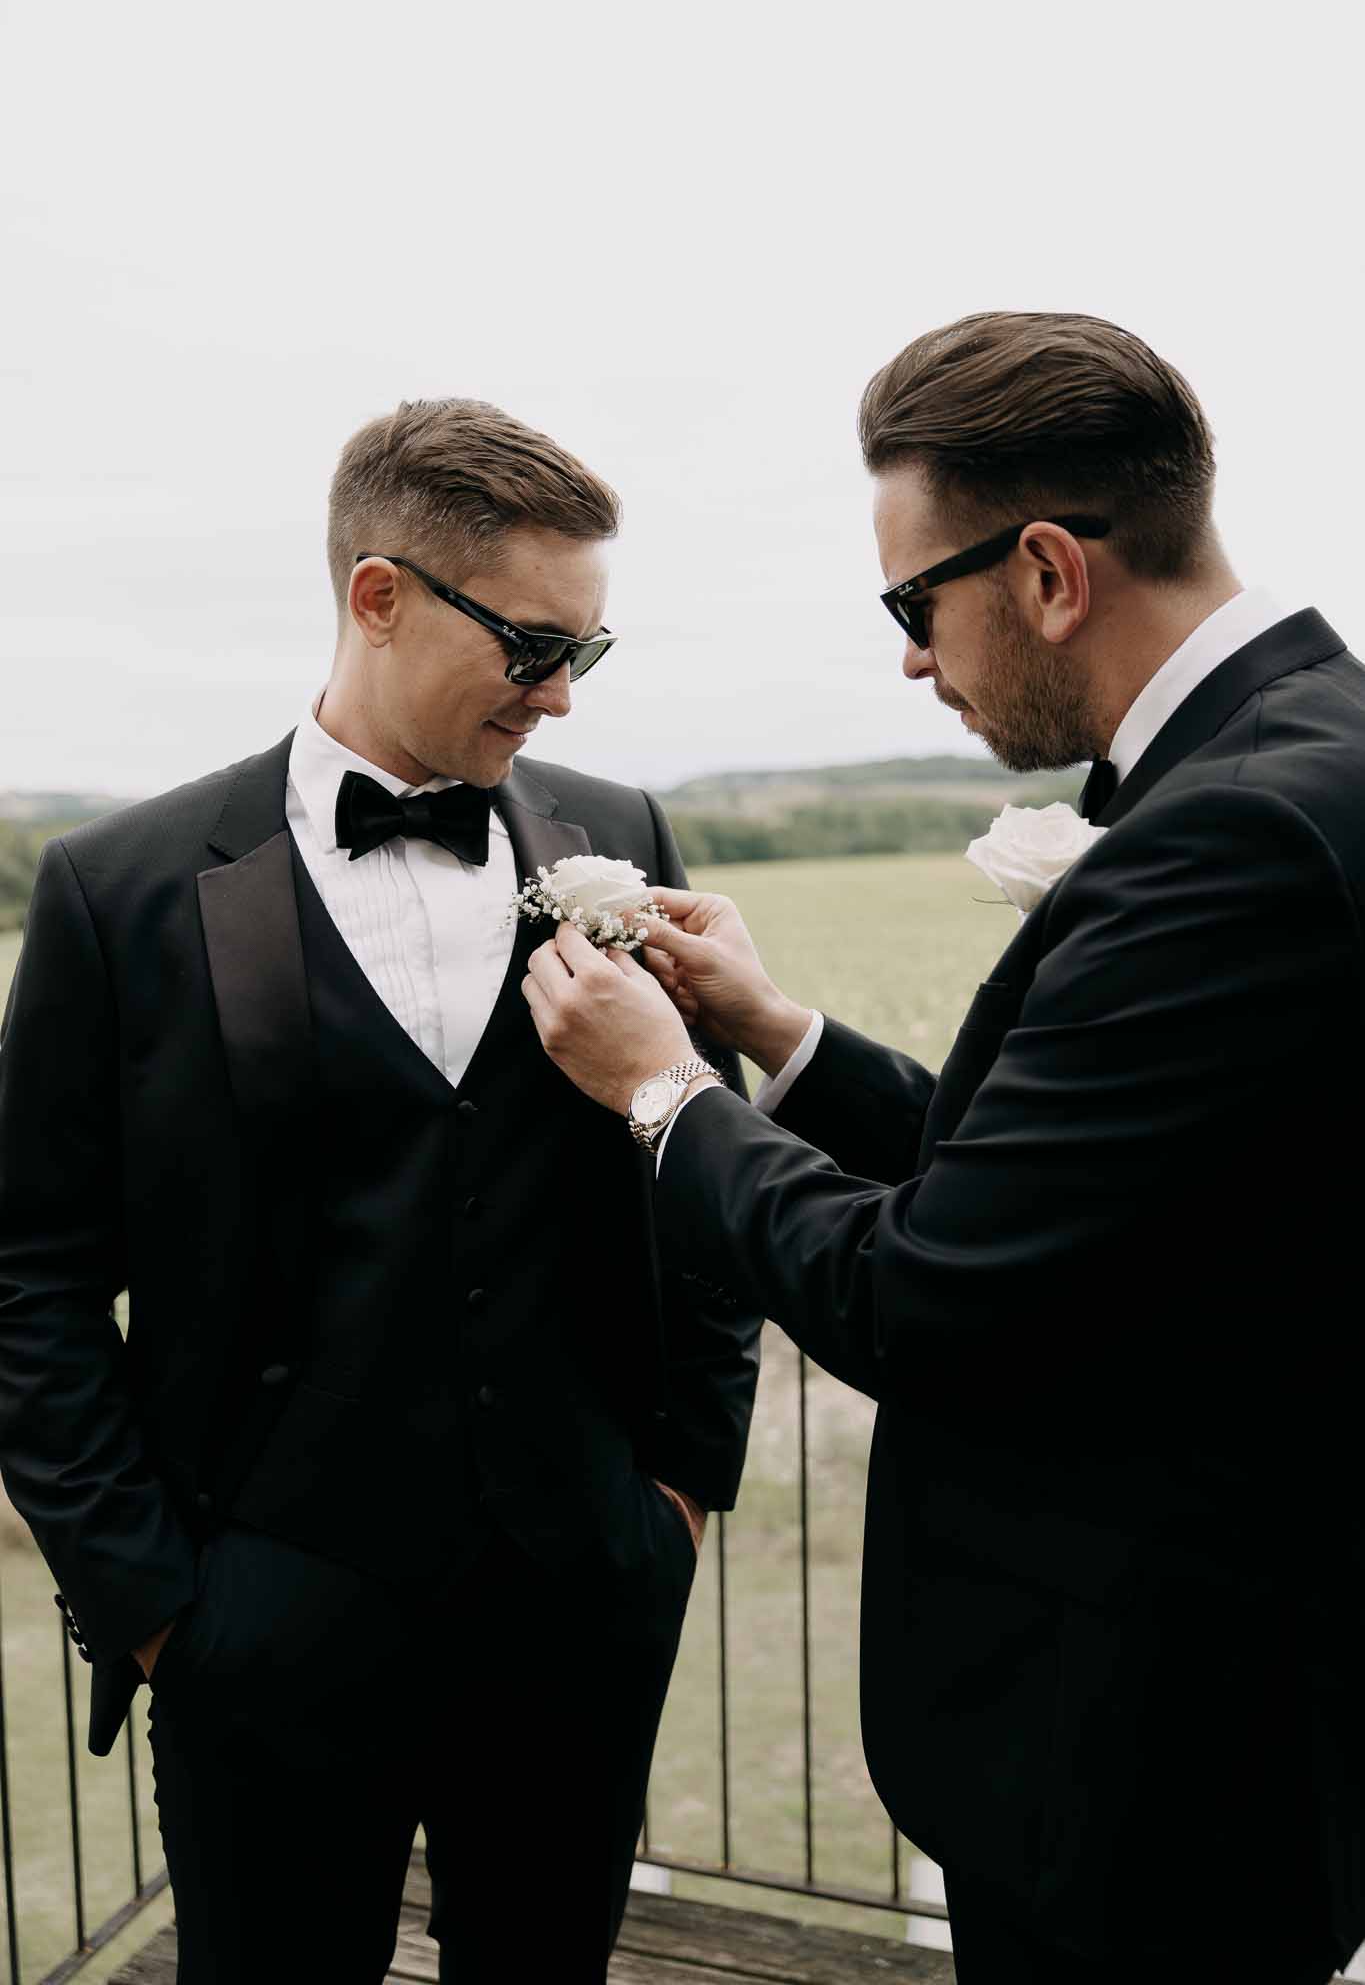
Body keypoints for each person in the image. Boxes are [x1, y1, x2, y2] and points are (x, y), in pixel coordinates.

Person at [520, 312, 1365, 1985]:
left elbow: (926, 1294)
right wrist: (779, 1034)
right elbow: (1087, 1196)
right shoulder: (1301, 752)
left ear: (1046, 570)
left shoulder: (1236, 831)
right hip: (1223, 1721)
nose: (913, 659)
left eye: (916, 604)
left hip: (1153, 1754)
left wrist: (661, 1094)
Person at [0, 398, 759, 1983]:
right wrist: (151, 1602)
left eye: (586, 657)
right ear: (378, 593)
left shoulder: (615, 840)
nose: (557, 697)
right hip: (256, 1615)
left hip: (580, 1605)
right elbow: (32, 1272)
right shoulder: (118, 888)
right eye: (533, 647)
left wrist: (676, 1500)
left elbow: (707, 1174)